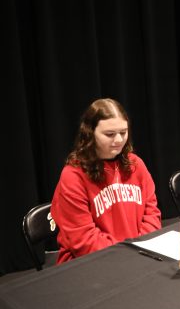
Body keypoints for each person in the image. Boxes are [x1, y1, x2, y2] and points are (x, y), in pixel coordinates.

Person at [51, 98, 161, 264]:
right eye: (109, 134)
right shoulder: (73, 175)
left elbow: (151, 213)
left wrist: (141, 247)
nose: (118, 140)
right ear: (90, 133)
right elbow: (83, 239)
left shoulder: (136, 164)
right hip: (92, 263)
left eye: (123, 133)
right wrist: (127, 256)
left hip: (137, 255)